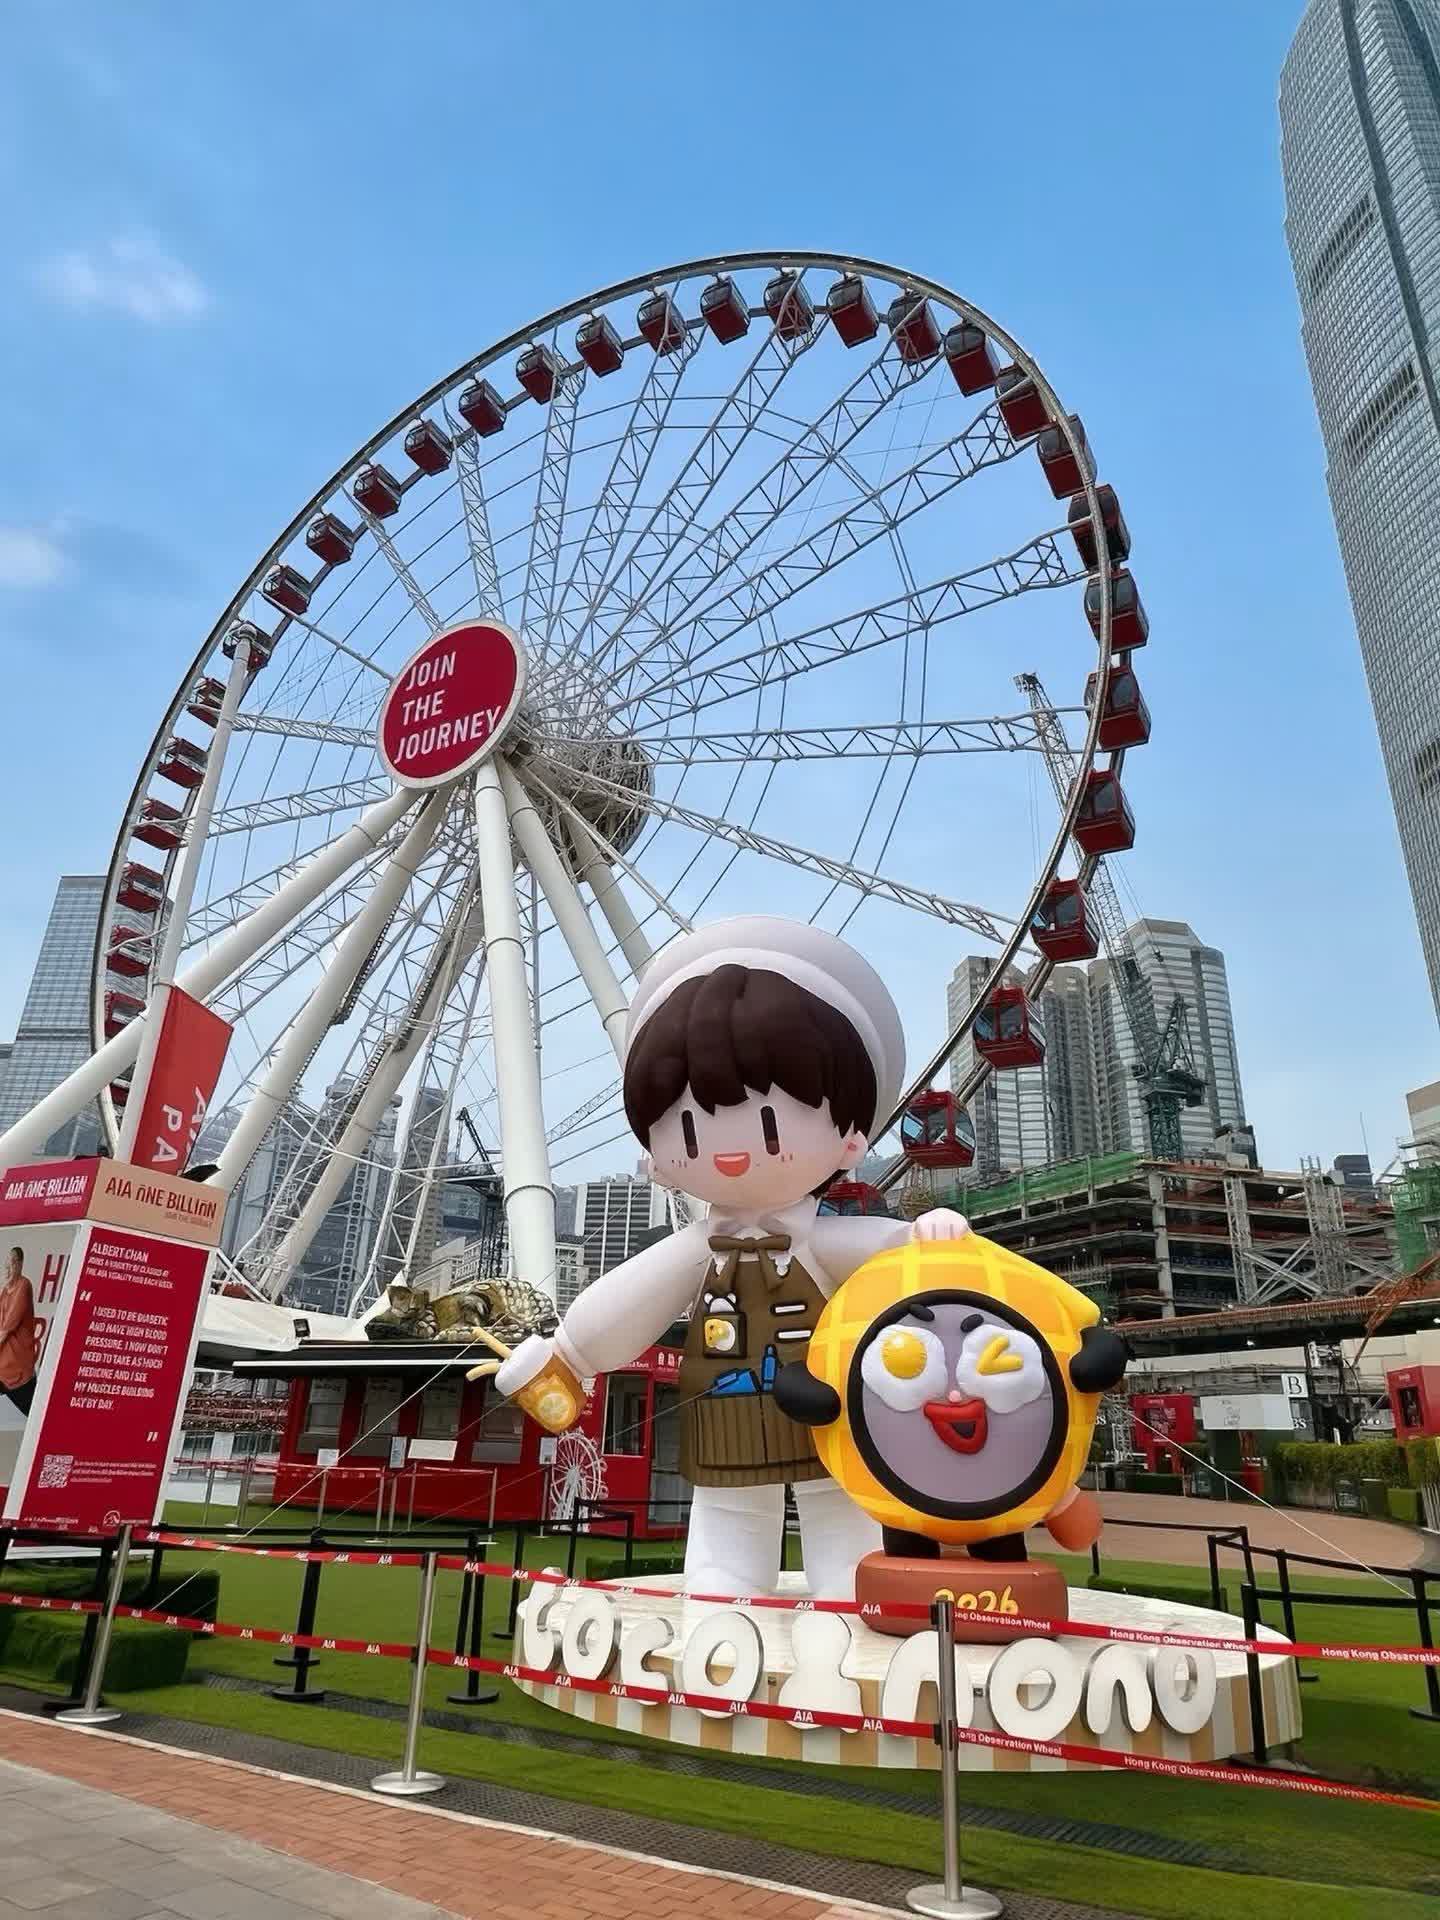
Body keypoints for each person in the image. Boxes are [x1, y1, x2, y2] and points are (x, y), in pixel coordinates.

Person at [494, 916, 970, 1599]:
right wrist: (570, 1351)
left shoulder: (819, 1242)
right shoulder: (699, 1251)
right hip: (727, 1420)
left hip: (832, 1414)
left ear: (851, 1141)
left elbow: (889, 1254)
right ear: (656, 1158)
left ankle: (845, 1586)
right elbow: (634, 1299)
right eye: (686, 1132)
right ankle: (727, 1592)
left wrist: (926, 1243)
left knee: (841, 1508)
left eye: (771, 1126)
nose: (731, 1155)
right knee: (728, 1519)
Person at [0, 1246, 38, 1418]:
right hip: (3, 1363)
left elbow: (6, 1329)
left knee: (36, 1415)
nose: (9, 1268)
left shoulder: (24, 1286)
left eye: (13, 1263)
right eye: (7, 1264)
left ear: (21, 1264)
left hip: (16, 1367)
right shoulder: (5, 1291)